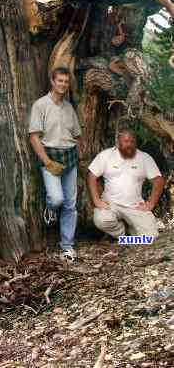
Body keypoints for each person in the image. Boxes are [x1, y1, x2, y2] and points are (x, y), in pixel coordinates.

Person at [29, 66, 82, 263]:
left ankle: (67, 247)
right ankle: (50, 209)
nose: (63, 85)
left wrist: (77, 154)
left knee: (70, 205)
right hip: (50, 157)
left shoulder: (69, 107)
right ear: (52, 81)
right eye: (60, 81)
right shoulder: (40, 105)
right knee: (57, 199)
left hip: (69, 159)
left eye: (66, 82)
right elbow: (34, 136)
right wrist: (47, 161)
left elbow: (77, 135)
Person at [87, 129, 165, 241]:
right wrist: (96, 200)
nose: (129, 144)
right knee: (101, 220)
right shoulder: (106, 155)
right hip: (111, 204)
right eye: (126, 141)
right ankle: (122, 234)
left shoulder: (144, 158)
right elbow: (91, 176)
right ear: (118, 142)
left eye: (132, 141)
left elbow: (159, 180)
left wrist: (150, 204)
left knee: (150, 237)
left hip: (134, 206)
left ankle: (130, 234)